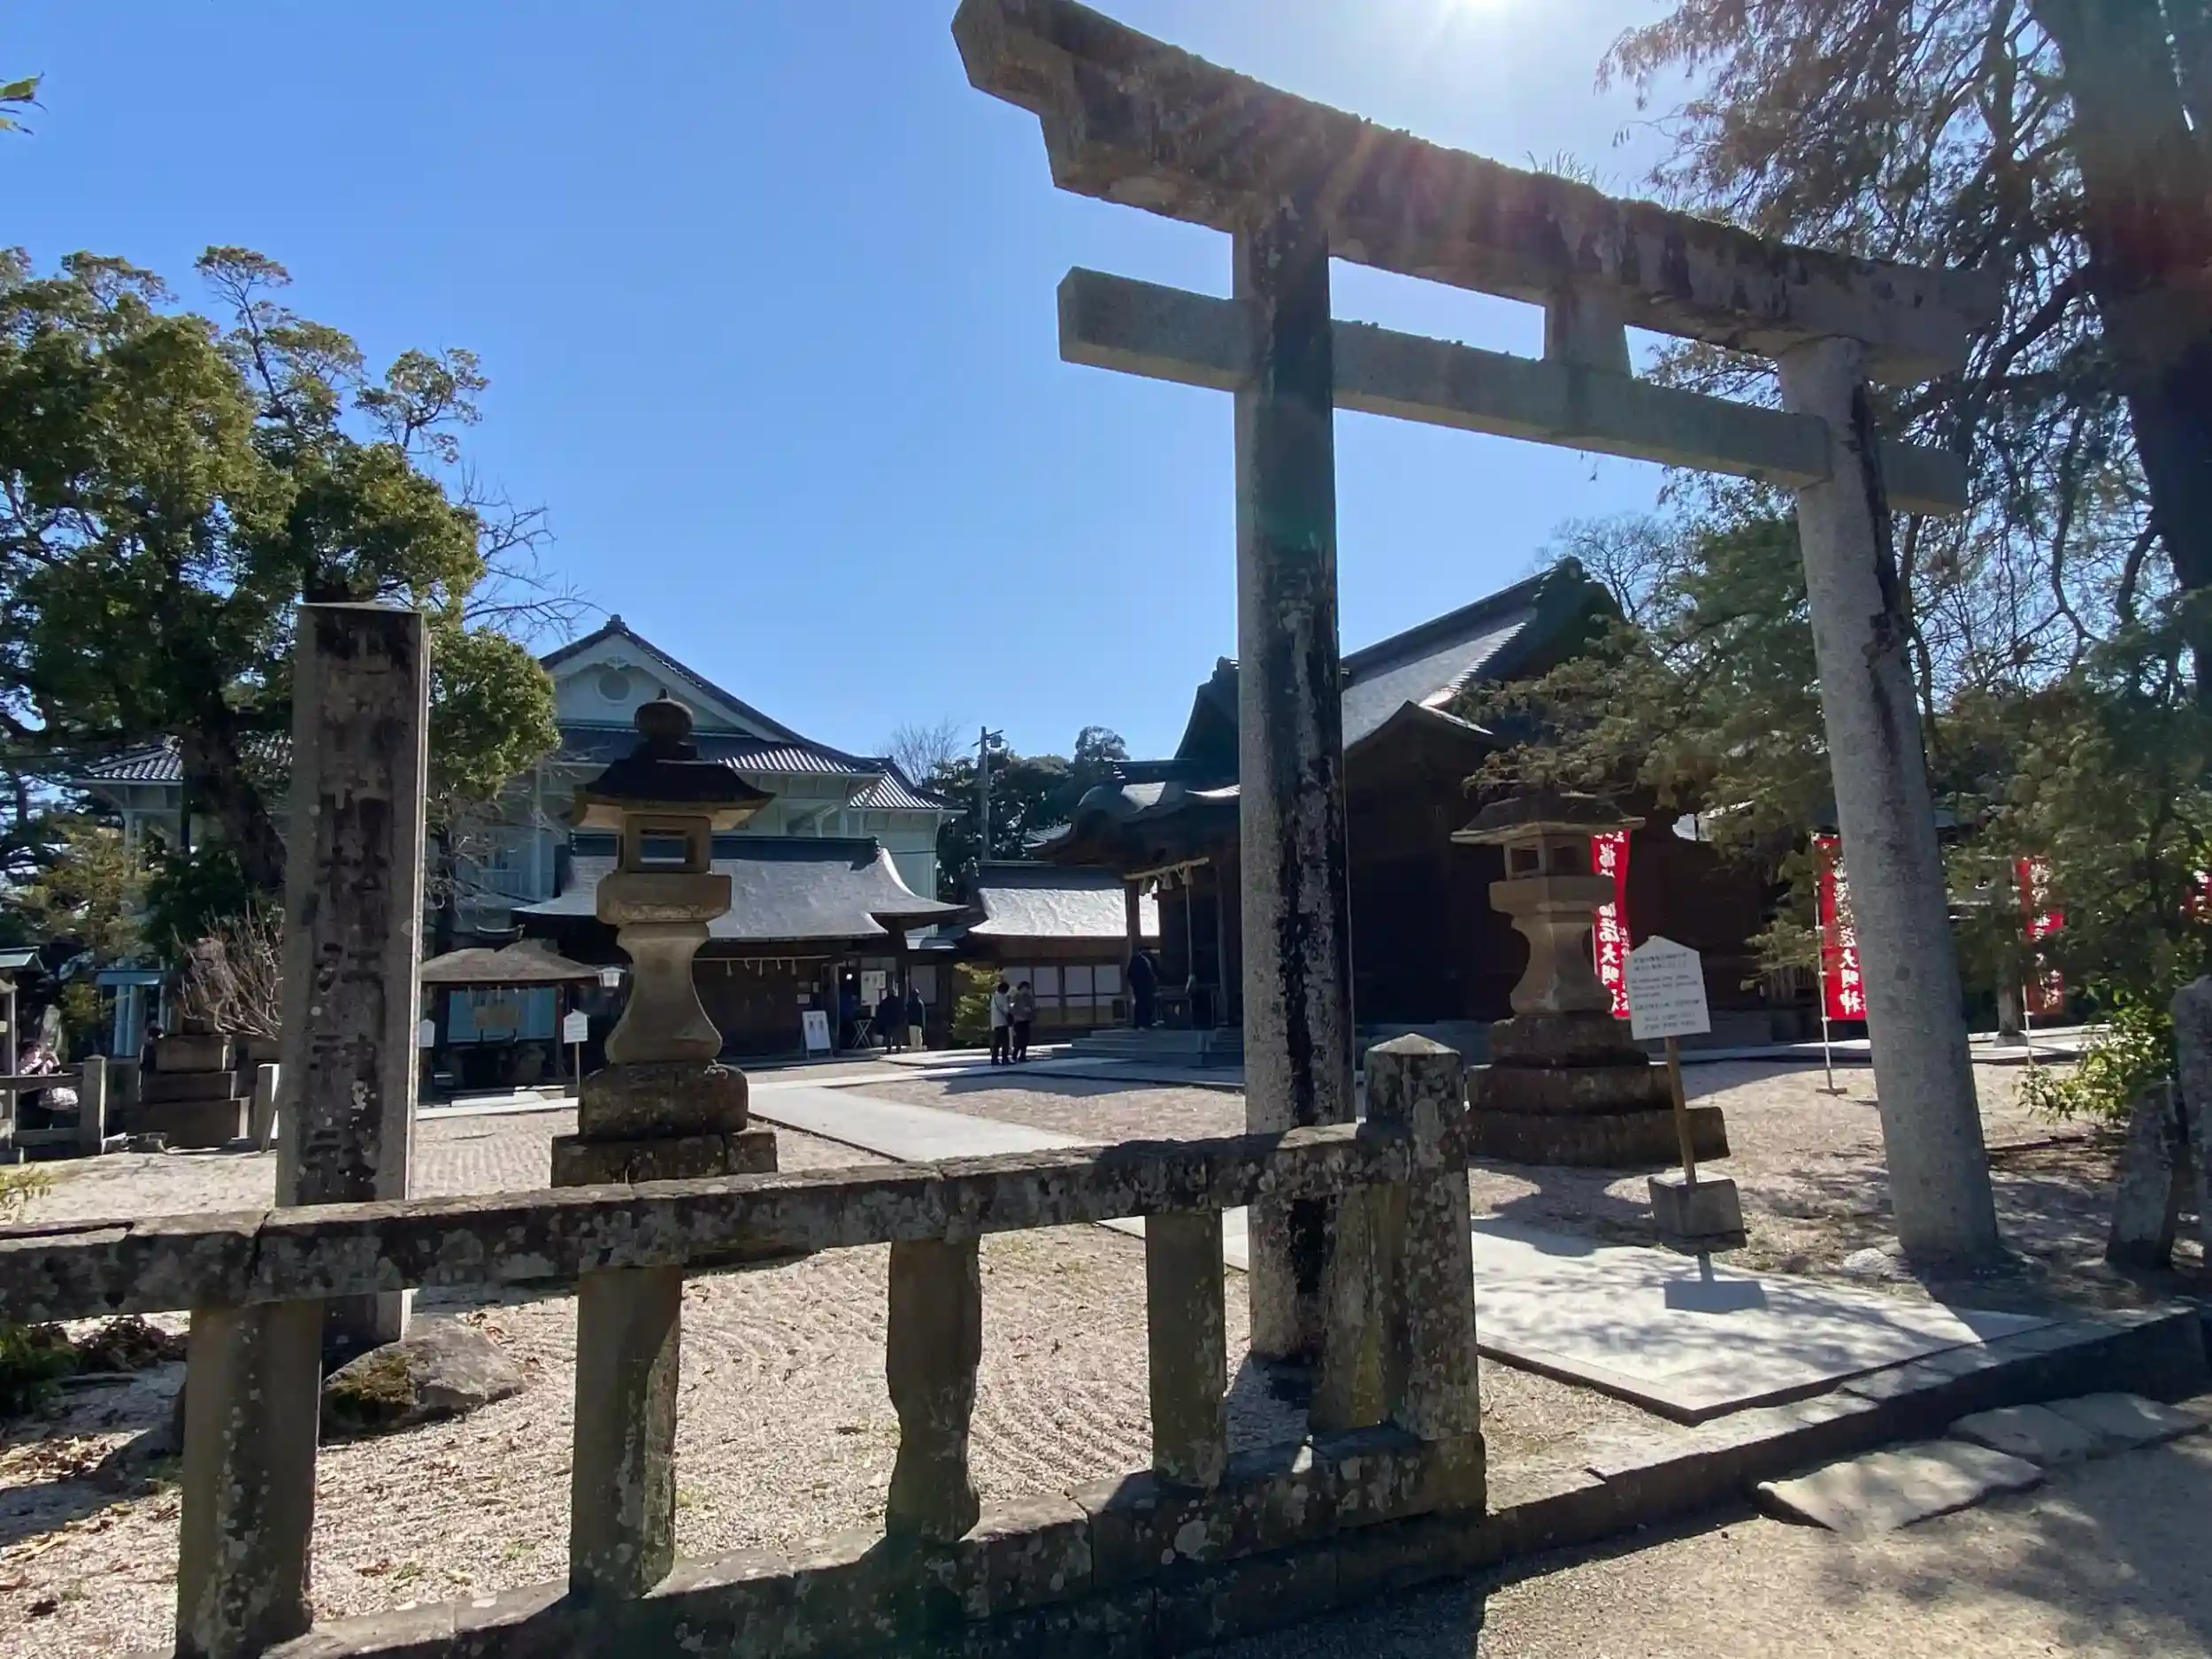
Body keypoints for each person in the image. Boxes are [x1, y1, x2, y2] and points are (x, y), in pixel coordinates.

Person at [1129, 949, 1157, 1030]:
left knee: (1148, 1003)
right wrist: (1135, 982)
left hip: (1148, 986)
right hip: (1140, 986)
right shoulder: (1137, 960)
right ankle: (1140, 1022)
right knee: (1141, 1004)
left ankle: (1147, 1021)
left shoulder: (1149, 960)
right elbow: (1130, 973)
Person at [1010, 979, 1036, 1062]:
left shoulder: (1028, 997)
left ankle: (1023, 1055)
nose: (1026, 990)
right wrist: (1019, 1011)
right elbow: (1011, 1007)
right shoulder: (1015, 997)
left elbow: (1033, 1007)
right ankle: (1015, 1054)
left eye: (1027, 989)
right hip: (1018, 1020)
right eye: (1025, 988)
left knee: (1026, 1038)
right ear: (1021, 988)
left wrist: (1031, 1010)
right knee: (1019, 1039)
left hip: (1026, 1019)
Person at [987, 979, 1011, 1065]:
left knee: (997, 1042)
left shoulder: (994, 997)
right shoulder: (1003, 997)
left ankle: (994, 1058)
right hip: (1003, 1022)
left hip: (995, 1023)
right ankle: (1005, 1058)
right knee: (1005, 1042)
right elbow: (1006, 1010)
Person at [875, 985, 904, 1053]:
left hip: (888, 1022)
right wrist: (902, 1020)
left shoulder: (884, 1002)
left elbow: (880, 1012)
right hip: (897, 1021)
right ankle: (898, 1049)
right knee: (897, 1036)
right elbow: (902, 1011)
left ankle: (889, 1049)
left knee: (888, 1036)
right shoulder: (898, 1001)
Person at [906, 985, 927, 1052]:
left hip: (912, 1023)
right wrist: (923, 1024)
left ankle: (914, 1048)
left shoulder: (910, 1003)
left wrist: (907, 1022)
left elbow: (907, 1013)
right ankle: (919, 1048)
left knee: (913, 1038)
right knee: (919, 1037)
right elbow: (922, 1015)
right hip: (919, 1023)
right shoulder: (920, 1003)